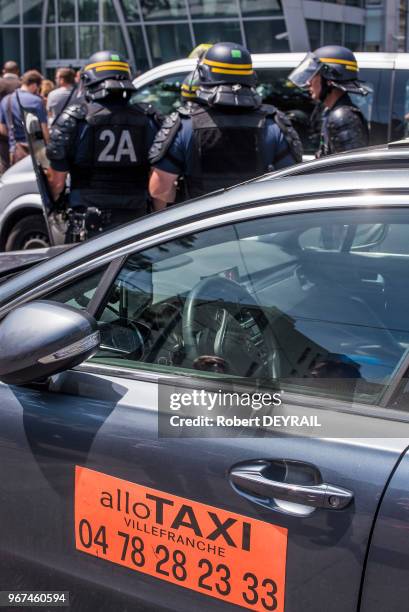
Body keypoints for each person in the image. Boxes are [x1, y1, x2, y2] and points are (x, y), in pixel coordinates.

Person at [149, 42, 302, 210]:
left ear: (203, 75)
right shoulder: (274, 123)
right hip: (258, 225)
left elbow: (159, 189)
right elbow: (291, 184)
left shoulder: (185, 124)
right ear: (251, 76)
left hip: (202, 225)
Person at [46, 50, 161, 240]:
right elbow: (159, 178)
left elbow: (57, 182)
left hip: (88, 226)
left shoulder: (76, 118)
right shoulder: (148, 118)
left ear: (88, 79)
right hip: (137, 223)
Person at [289, 45, 369, 157]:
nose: (308, 82)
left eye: (313, 75)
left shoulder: (342, 117)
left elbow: (350, 170)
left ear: (329, 78)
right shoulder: (330, 112)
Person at [0, 69, 48, 166]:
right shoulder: (36, 101)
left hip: (16, 151)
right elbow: (44, 131)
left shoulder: (6, 100)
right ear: (34, 85)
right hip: (38, 151)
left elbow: (2, 129)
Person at [0, 61, 20, 173]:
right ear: (17, 71)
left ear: (4, 71)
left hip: (1, 129)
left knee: (4, 162)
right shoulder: (21, 83)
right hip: (18, 128)